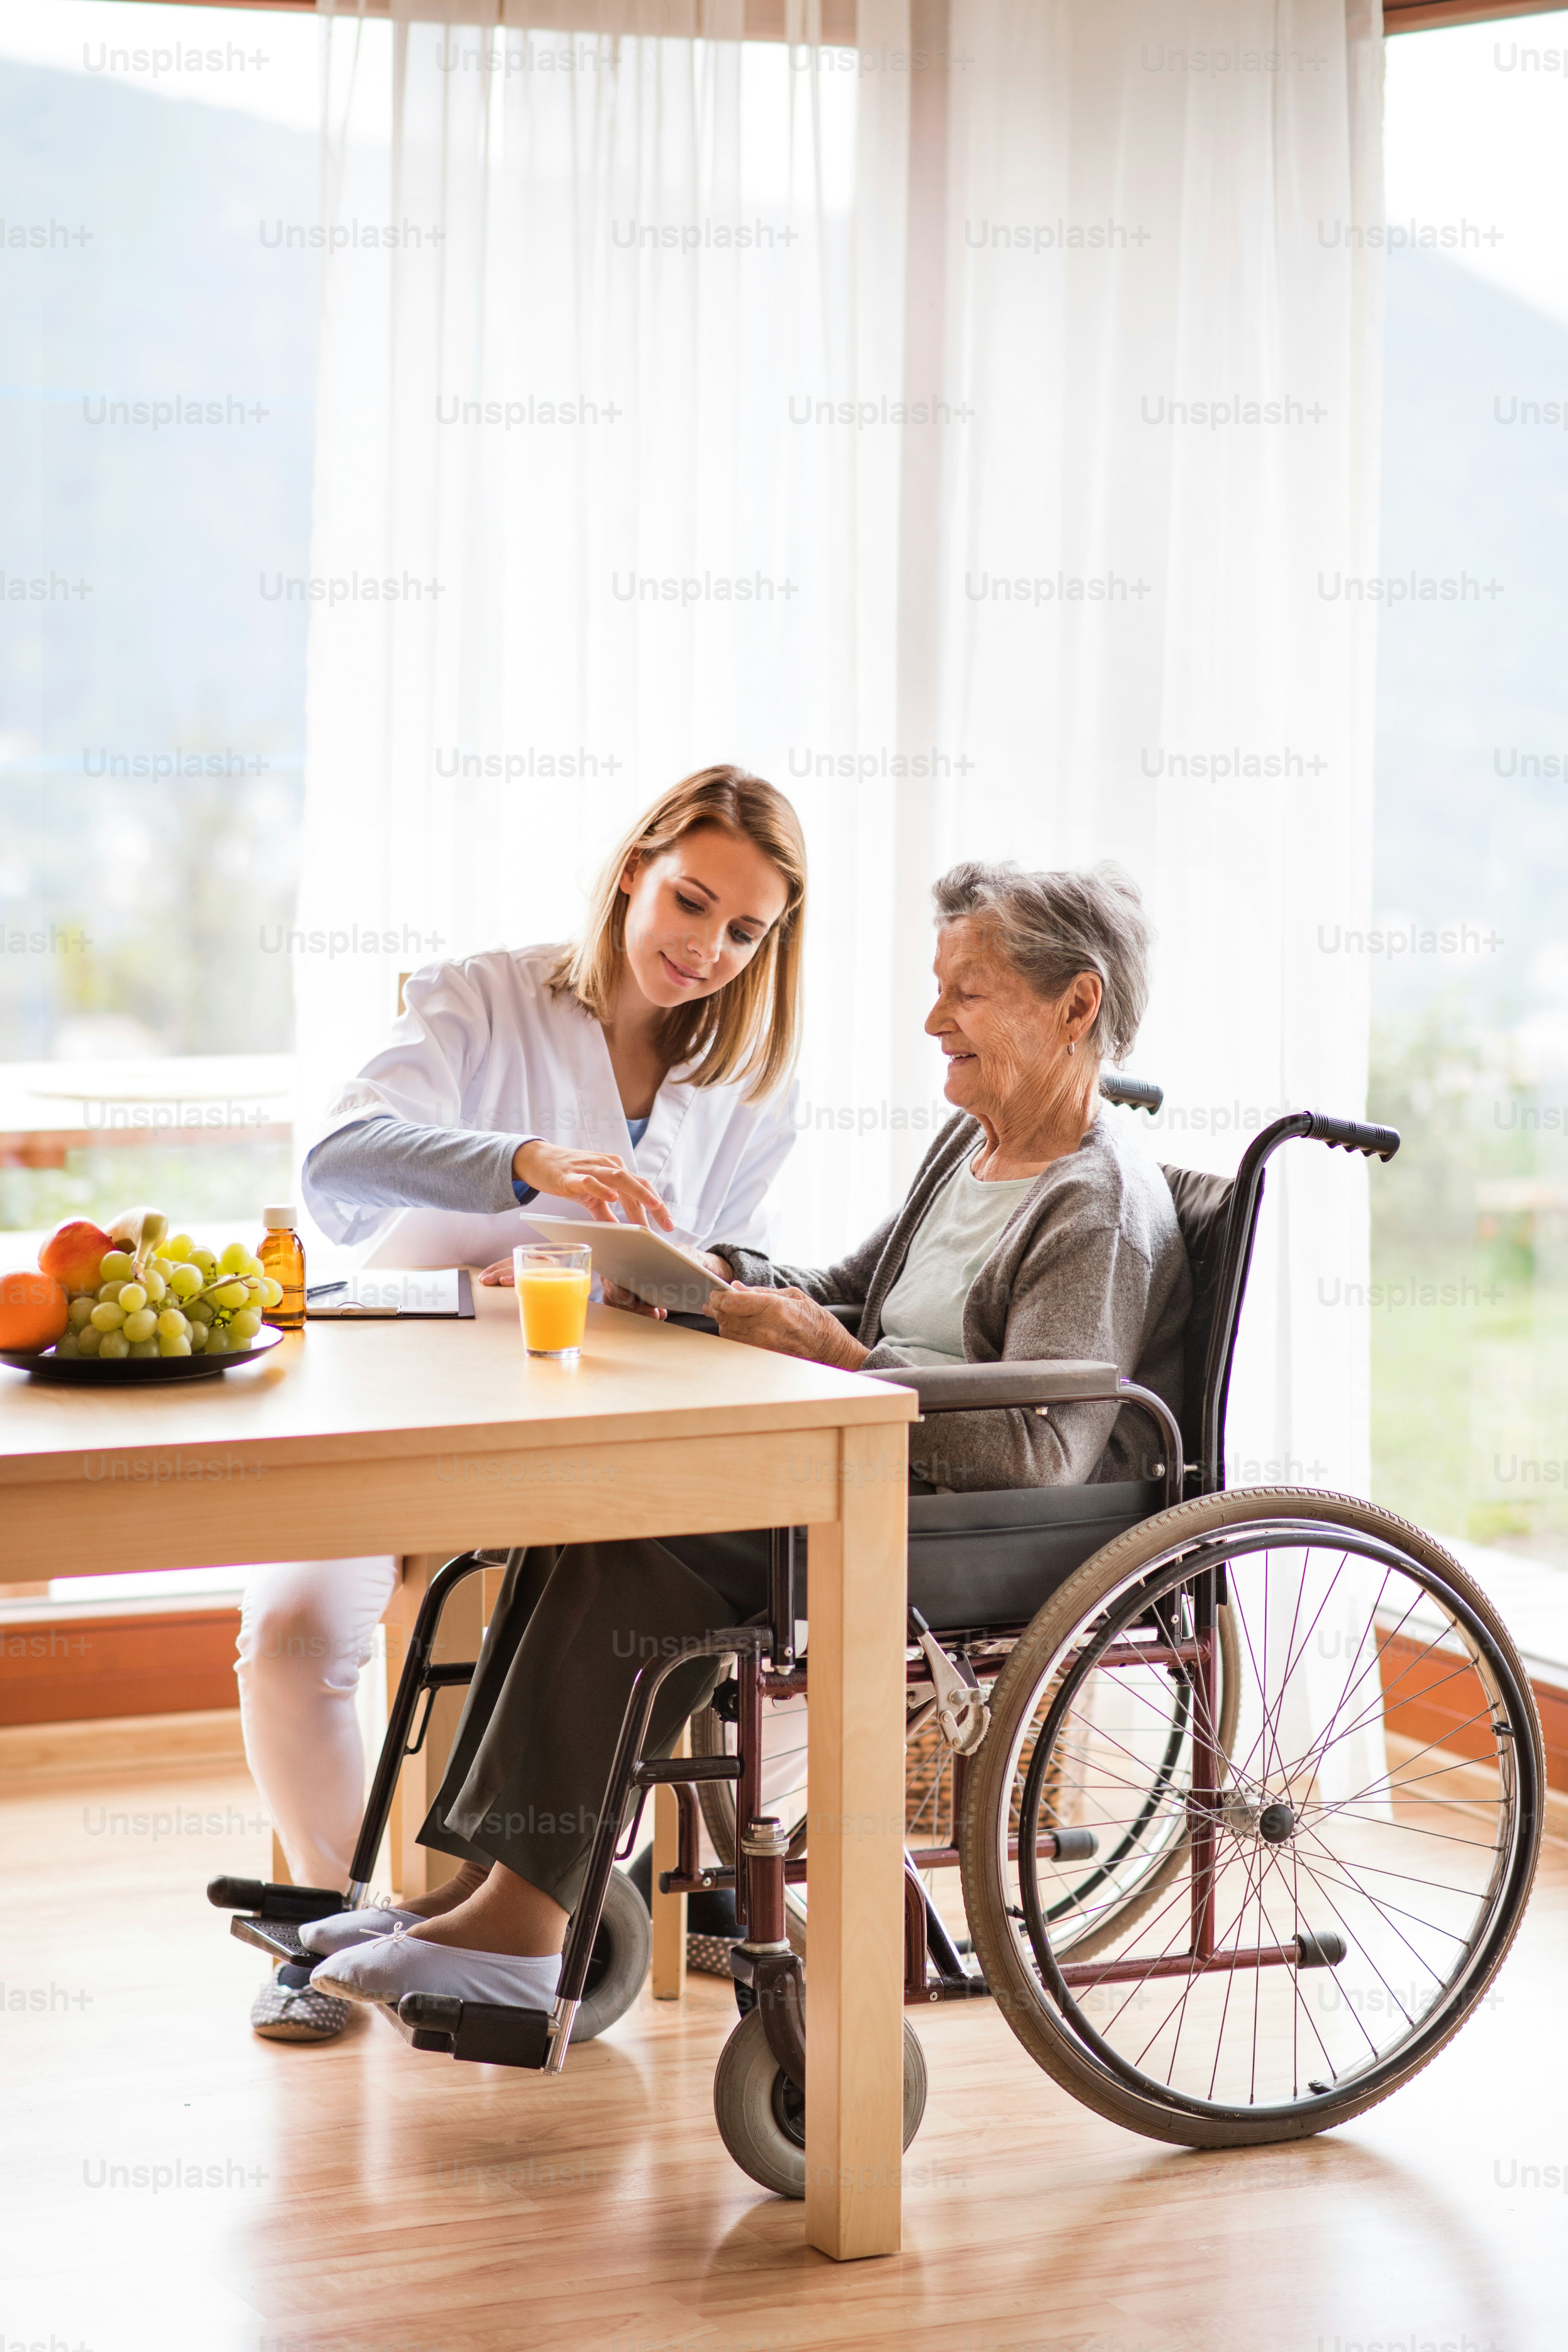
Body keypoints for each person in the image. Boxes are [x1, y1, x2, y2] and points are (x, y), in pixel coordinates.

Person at [301, 859, 1191, 2018]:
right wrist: (702, 1278)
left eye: (965, 994)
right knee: (584, 1514)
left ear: (1077, 1005)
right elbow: (845, 1294)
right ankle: (490, 1891)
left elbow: (1035, 1449)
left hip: (981, 1525)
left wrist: (831, 1355)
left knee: (648, 1542)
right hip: (872, 1460)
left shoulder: (1096, 1201)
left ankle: (523, 1932)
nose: (934, 1022)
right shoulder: (969, 1150)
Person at [239, 766, 808, 2040]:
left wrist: (695, 1287)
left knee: (636, 1617)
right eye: (691, 901)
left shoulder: (749, 1084)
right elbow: (341, 1156)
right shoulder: (483, 997)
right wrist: (523, 1166)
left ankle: (510, 1914)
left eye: (744, 931)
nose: (705, 949)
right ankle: (338, 1915)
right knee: (289, 1633)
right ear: (634, 868)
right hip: (395, 1394)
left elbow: (744, 1267)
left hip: (590, 1432)